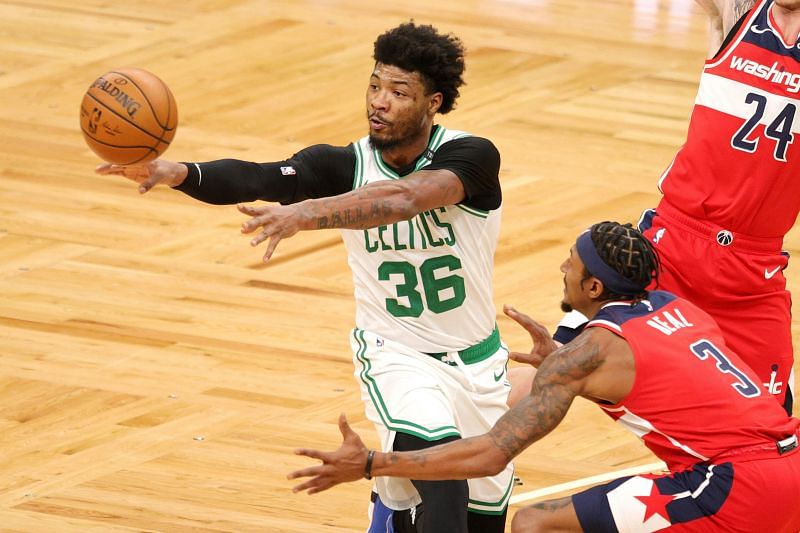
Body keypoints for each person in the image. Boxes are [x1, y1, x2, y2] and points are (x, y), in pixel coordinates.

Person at [97, 22, 512, 533]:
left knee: (482, 520)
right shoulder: (343, 164)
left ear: (434, 102)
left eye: (399, 92)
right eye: (375, 85)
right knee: (443, 497)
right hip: (398, 357)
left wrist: (308, 213)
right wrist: (179, 172)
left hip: (477, 363)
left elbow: (407, 199)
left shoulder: (471, 156)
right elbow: (258, 176)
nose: (379, 101)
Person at [288, 221, 800, 532]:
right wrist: (559, 357)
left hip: (735, 483)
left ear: (594, 285)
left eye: (570, 263)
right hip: (789, 465)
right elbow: (666, 375)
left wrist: (373, 463)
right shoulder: (676, 310)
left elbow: (490, 453)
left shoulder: (592, 353)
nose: (562, 266)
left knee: (536, 524)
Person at [552, 0, 800, 416]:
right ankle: (471, 453)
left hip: (752, 268)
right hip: (675, 240)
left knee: (770, 416)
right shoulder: (740, 11)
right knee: (558, 362)